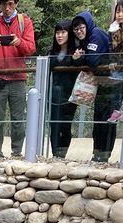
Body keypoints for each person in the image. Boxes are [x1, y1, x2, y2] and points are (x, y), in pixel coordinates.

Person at [0, 0, 37, 159]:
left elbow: (31, 48)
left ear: (16, 3)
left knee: (18, 119)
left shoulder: (25, 22)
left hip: (18, 78)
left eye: (10, 3)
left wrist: (19, 42)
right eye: (4, 4)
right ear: (0, 5)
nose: (7, 8)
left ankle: (17, 152)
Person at [71, 11, 114, 162]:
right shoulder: (86, 40)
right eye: (76, 29)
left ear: (87, 25)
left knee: (106, 120)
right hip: (101, 83)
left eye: (81, 27)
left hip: (110, 82)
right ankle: (98, 154)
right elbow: (83, 61)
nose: (79, 31)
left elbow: (93, 60)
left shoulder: (96, 35)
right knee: (99, 119)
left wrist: (81, 57)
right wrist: (81, 58)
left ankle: (103, 155)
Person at [49, 19, 78, 158]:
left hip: (69, 95)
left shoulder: (76, 51)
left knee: (65, 126)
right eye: (57, 32)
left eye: (63, 32)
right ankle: (55, 154)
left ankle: (62, 154)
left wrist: (74, 59)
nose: (59, 36)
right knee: (54, 126)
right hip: (53, 95)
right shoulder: (52, 51)